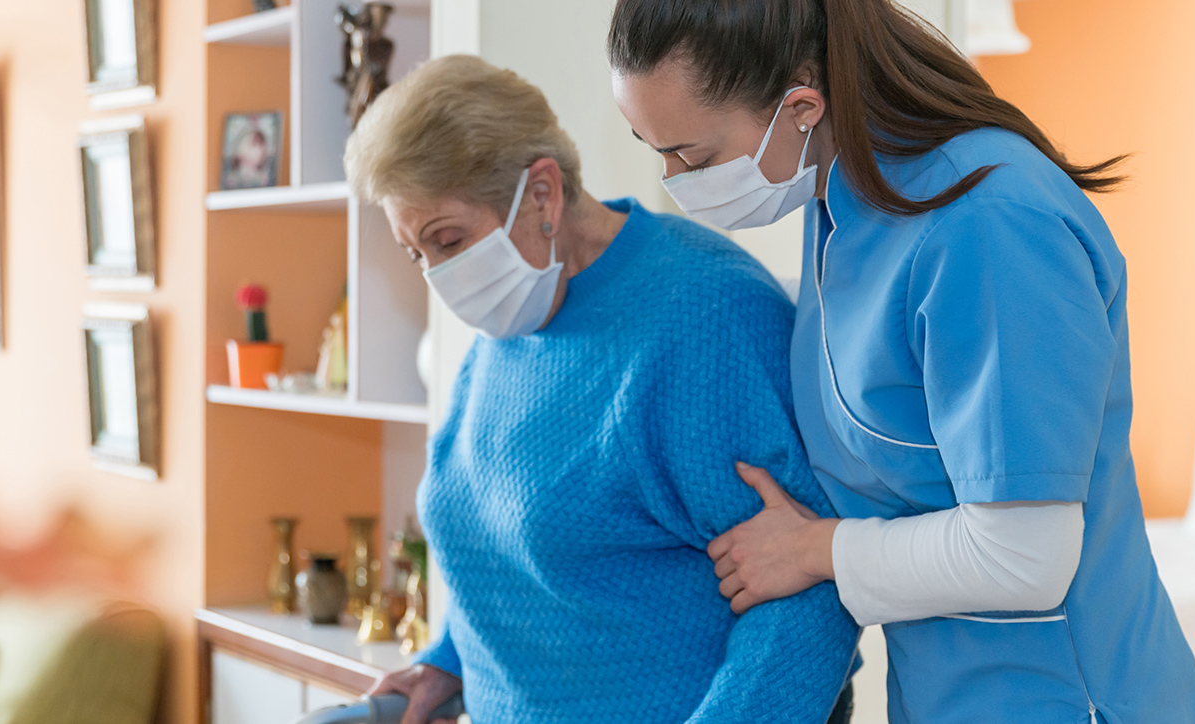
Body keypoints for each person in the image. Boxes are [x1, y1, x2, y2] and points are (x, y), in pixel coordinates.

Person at [606, 1, 1195, 723]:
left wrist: (814, 551)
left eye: (694, 157)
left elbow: (1028, 555)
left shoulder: (990, 224)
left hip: (1064, 696)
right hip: (943, 694)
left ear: (801, 106)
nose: (676, 178)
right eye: (654, 149)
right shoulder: (845, 197)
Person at [344, 54, 859, 724]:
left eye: (448, 240)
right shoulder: (512, 323)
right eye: (417, 254)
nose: (439, 276)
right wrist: (449, 663)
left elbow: (809, 596)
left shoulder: (707, 316)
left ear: (542, 194)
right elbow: (512, 556)